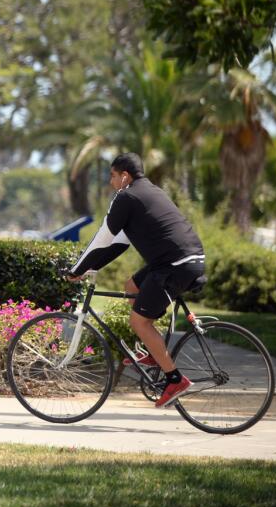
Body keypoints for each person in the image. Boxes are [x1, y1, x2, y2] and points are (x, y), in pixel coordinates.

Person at [67, 152, 205, 407]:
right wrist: (89, 267)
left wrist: (76, 268)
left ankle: (175, 380)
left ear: (125, 176)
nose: (110, 182)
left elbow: (102, 238)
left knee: (139, 321)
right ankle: (154, 352)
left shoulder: (126, 196)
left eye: (112, 176)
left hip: (175, 265)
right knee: (131, 286)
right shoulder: (150, 192)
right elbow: (118, 244)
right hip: (181, 261)